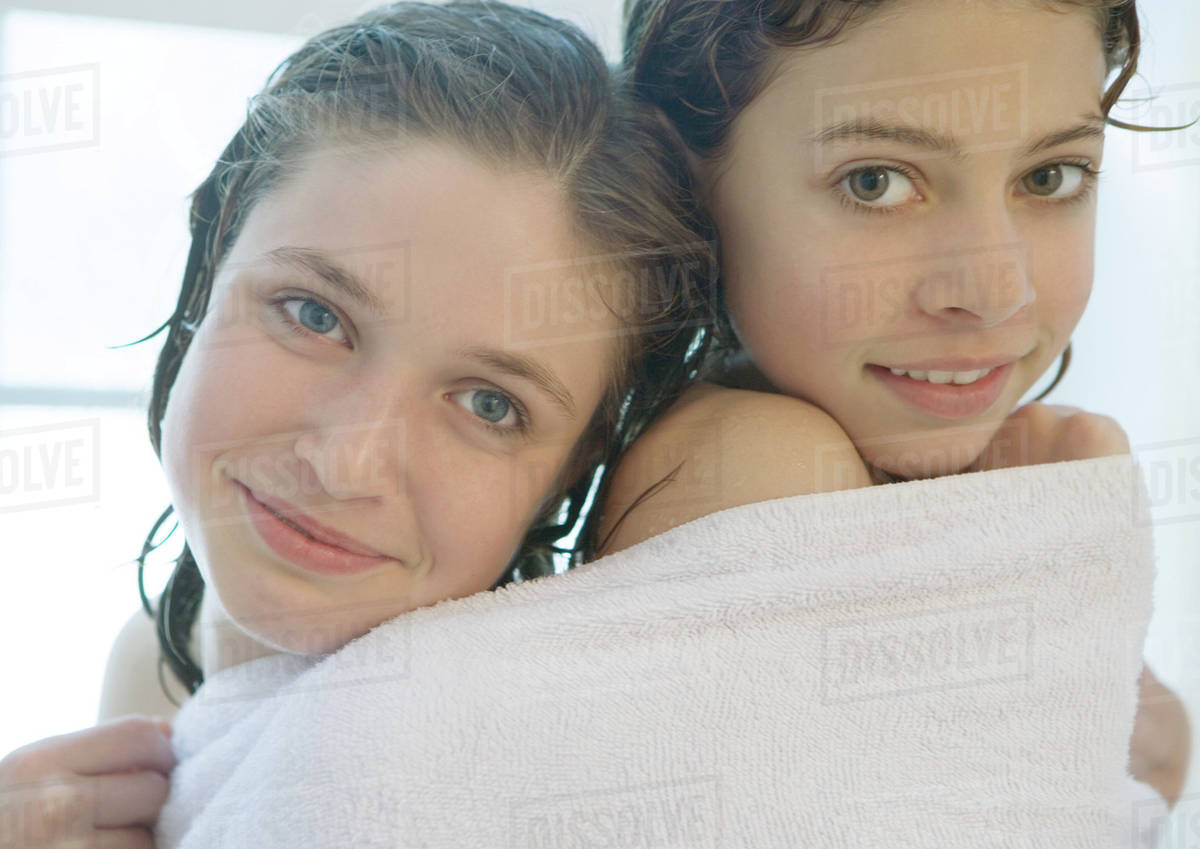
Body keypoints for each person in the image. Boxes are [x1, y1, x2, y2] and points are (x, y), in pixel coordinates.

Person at [0, 3, 716, 846]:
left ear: (574, 465)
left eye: (490, 403)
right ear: (221, 246)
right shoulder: (152, 668)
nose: (347, 461)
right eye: (312, 313)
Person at [602, 0, 1190, 809]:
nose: (993, 293)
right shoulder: (749, 463)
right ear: (684, 179)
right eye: (876, 182)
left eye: (1049, 176)